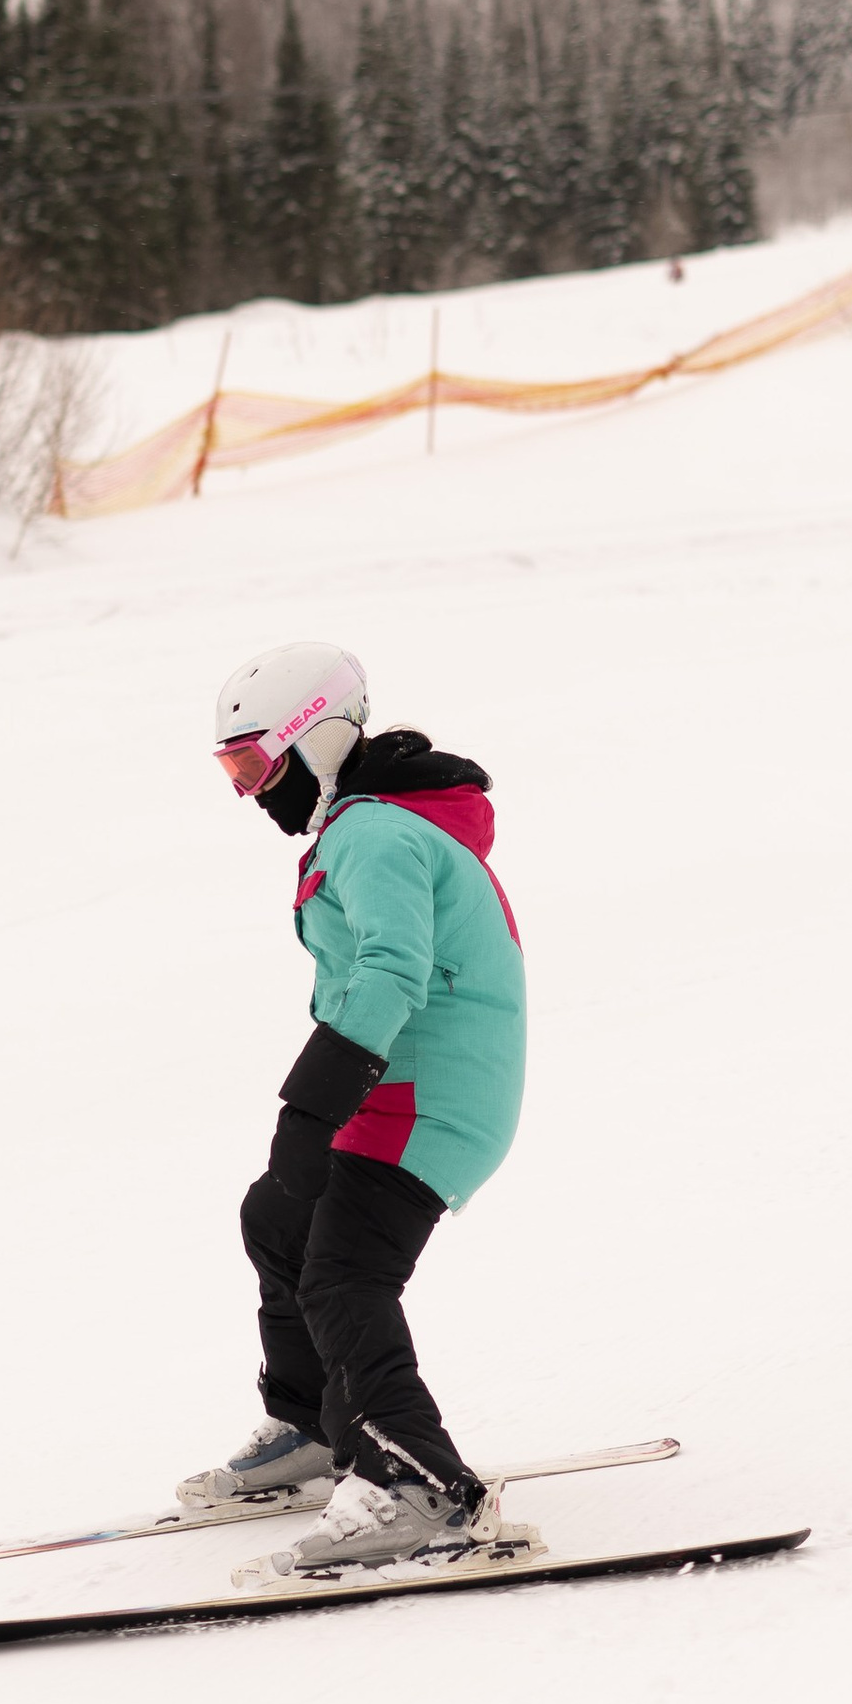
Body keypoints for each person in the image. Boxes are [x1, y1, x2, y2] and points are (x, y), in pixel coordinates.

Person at [182, 639, 526, 1571]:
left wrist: (308, 1110)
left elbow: (388, 974)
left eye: (254, 764)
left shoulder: (373, 833)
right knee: (279, 1218)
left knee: (344, 1274)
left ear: (313, 741)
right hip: (392, 1088)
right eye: (234, 771)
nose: (251, 791)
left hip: (431, 1097)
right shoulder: (366, 829)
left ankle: (415, 1484)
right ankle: (311, 1427)